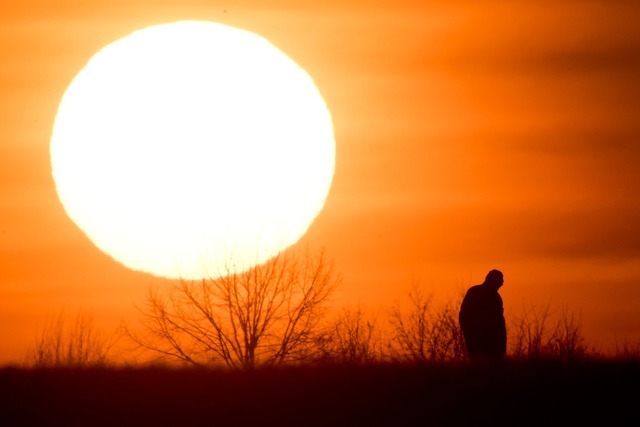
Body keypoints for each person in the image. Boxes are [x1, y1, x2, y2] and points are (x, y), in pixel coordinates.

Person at [459, 269, 507, 364]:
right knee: (480, 363)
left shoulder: (495, 297)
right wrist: (467, 331)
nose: (501, 284)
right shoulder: (475, 292)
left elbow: (499, 322)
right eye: (499, 282)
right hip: (479, 338)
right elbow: (464, 313)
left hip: (491, 340)